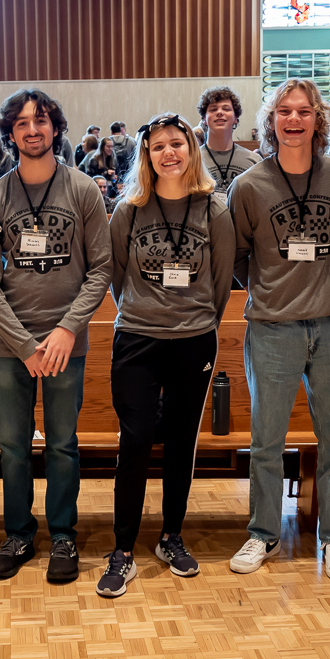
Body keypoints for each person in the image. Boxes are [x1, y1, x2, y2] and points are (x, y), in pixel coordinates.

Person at [0, 88, 112, 582]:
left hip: (65, 344)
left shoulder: (84, 190)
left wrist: (68, 330)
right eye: (23, 122)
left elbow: (101, 270)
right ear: (10, 133)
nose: (33, 129)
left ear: (56, 129)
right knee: (12, 445)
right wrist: (25, 345)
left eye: (42, 121)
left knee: (62, 444)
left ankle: (64, 537)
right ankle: (18, 532)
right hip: (12, 348)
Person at [95, 113, 234, 598]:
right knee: (133, 442)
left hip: (194, 339)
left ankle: (171, 536)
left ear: (191, 151)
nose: (169, 153)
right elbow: (115, 276)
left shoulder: (213, 210)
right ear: (147, 155)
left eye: (177, 144)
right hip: (136, 337)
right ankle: (124, 549)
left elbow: (221, 283)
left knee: (180, 441)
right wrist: (142, 311)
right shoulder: (128, 211)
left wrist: (193, 322)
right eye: (158, 147)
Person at [227, 79, 330, 582]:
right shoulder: (250, 185)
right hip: (272, 328)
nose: (294, 119)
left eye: (304, 111)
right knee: (266, 440)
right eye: (284, 111)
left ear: (318, 120)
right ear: (271, 121)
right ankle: (262, 532)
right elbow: (237, 255)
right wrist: (269, 289)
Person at [197, 86, 260, 197]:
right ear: (204, 119)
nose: (220, 112)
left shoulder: (255, 161)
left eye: (226, 109)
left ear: (236, 118)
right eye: (213, 109)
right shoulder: (191, 159)